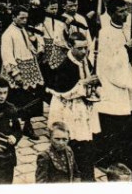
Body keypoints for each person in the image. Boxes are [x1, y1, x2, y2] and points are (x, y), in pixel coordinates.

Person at [93, 0, 132, 172]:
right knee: (113, 122)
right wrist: (125, 49)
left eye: (126, 10)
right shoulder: (104, 34)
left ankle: (130, 160)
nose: (125, 14)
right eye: (121, 11)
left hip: (128, 80)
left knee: (129, 121)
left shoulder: (129, 31)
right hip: (112, 84)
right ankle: (107, 159)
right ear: (111, 13)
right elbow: (105, 63)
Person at [46, 32, 100, 181]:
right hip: (68, 109)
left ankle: (87, 178)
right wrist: (85, 83)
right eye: (80, 48)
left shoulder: (84, 61)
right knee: (73, 143)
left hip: (83, 108)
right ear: (70, 46)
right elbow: (63, 91)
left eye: (86, 48)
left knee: (86, 145)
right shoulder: (64, 65)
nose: (84, 52)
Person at [1, 5, 44, 139]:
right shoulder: (8, 34)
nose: (25, 21)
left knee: (29, 99)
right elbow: (7, 56)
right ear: (13, 17)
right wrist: (16, 74)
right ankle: (14, 126)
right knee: (15, 100)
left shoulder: (23, 30)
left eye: (26, 18)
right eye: (21, 18)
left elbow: (28, 47)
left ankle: (27, 125)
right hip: (17, 71)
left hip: (28, 68)